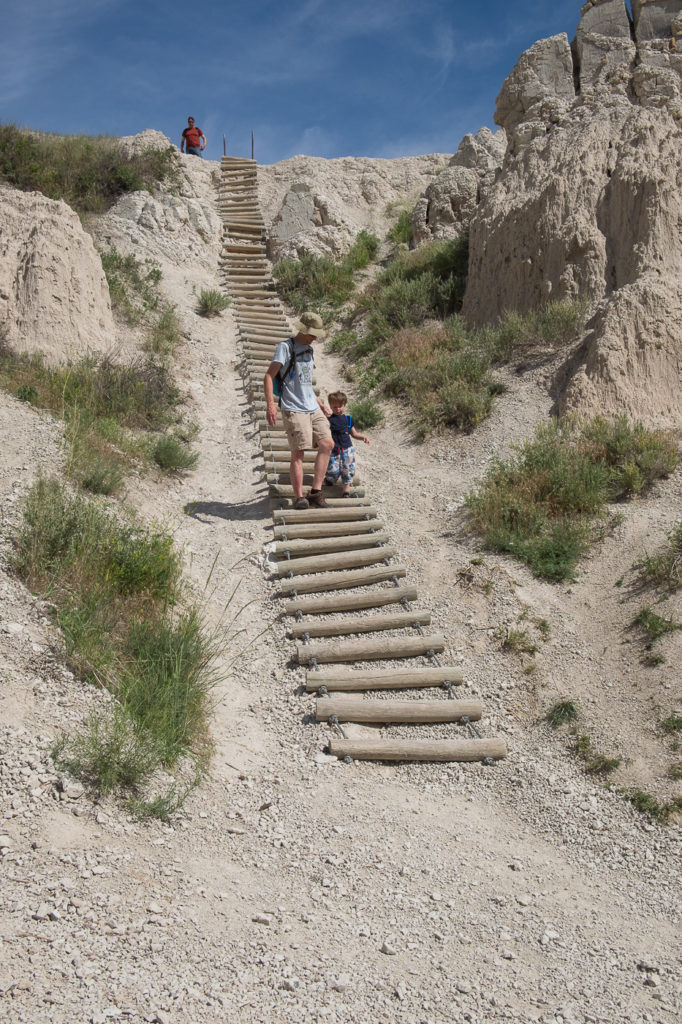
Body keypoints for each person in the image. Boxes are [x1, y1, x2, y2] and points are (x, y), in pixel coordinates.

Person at [264, 312, 333, 510]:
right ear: (303, 330)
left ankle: (315, 492)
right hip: (293, 407)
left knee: (327, 443)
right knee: (298, 453)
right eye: (312, 333)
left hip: (311, 406)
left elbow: (304, 382)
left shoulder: (309, 350)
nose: (315, 337)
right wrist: (270, 404)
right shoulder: (285, 347)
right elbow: (269, 376)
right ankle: (298, 497)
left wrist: (319, 403)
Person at [324, 391, 370, 497]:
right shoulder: (328, 420)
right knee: (333, 471)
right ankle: (329, 479)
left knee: (347, 470)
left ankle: (346, 491)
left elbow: (354, 433)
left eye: (340, 406)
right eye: (335, 407)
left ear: (344, 405)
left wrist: (363, 437)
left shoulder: (348, 420)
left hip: (347, 449)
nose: (338, 409)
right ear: (330, 406)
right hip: (333, 450)